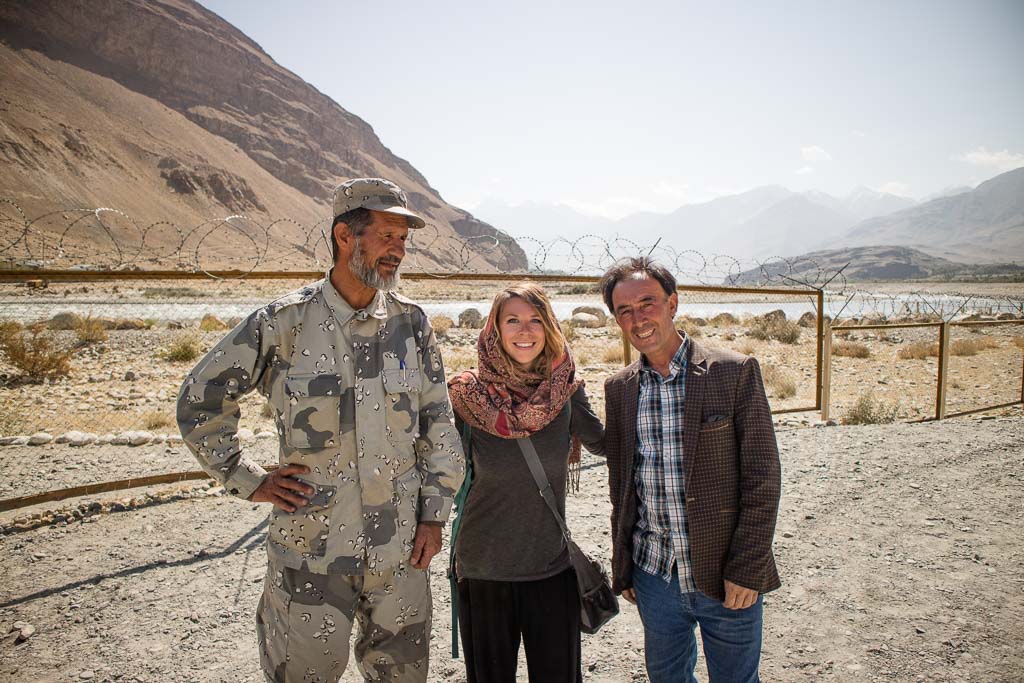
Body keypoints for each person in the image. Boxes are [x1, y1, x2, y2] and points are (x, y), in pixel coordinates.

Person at [176, 177, 465, 683]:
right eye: (387, 236)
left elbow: (438, 423)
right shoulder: (283, 322)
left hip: (400, 554)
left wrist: (434, 517)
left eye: (403, 240)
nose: (398, 250)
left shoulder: (411, 326)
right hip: (311, 552)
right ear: (345, 236)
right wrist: (249, 479)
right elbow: (202, 397)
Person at [598, 257, 781, 683]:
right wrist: (625, 564)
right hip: (654, 575)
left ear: (673, 303)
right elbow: (622, 486)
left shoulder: (732, 372)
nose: (638, 318)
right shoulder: (620, 389)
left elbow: (763, 478)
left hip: (725, 575)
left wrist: (747, 568)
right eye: (624, 311)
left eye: (648, 303)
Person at [447, 282, 605, 683]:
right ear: (494, 328)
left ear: (549, 326)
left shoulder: (566, 391)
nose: (524, 330)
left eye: (536, 320)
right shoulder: (466, 397)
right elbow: (430, 466)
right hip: (483, 570)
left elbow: (608, 444)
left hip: (550, 569)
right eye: (512, 320)